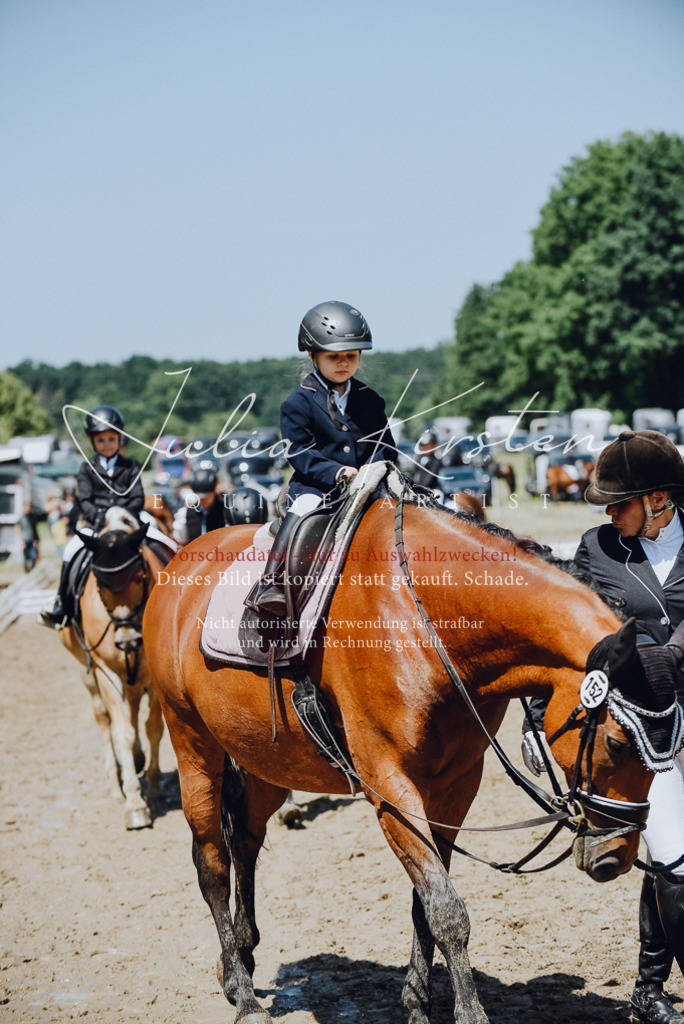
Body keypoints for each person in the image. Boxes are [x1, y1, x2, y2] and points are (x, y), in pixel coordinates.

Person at [522, 430, 684, 1024]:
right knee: (672, 852)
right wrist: (541, 722)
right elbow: (564, 644)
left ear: (659, 498)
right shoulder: (597, 548)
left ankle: (648, 985)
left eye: (620, 503)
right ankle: (650, 990)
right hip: (643, 731)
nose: (610, 514)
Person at [246, 299, 397, 616]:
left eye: (351, 356)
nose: (343, 363)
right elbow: (300, 453)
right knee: (304, 510)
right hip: (318, 487)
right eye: (334, 356)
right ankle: (272, 584)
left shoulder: (370, 400)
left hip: (368, 483)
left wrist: (379, 468)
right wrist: (338, 473)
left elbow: (384, 444)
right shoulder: (298, 402)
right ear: (313, 355)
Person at [40, 405, 149, 628]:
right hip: (97, 524)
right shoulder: (86, 468)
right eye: (101, 440)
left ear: (119, 438)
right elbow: (85, 501)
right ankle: (63, 604)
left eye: (111, 439)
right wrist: (103, 516)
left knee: (162, 540)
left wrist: (124, 514)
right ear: (92, 441)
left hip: (129, 521)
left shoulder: (131, 465)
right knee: (70, 552)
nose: (107, 444)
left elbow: (138, 496)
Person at [172, 468, 228, 544]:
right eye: (200, 497)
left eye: (206, 497)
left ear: (214, 490)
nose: (202, 500)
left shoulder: (225, 511)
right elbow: (181, 539)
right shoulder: (187, 513)